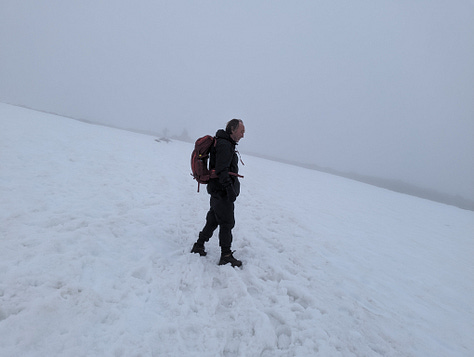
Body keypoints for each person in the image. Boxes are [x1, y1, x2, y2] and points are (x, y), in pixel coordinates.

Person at [191, 119, 245, 267]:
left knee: (214, 220)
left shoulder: (224, 143)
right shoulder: (224, 144)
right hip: (221, 191)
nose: (243, 135)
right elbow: (222, 170)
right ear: (232, 130)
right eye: (241, 131)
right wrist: (229, 190)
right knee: (227, 222)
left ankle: (199, 245)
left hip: (217, 189)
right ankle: (226, 255)